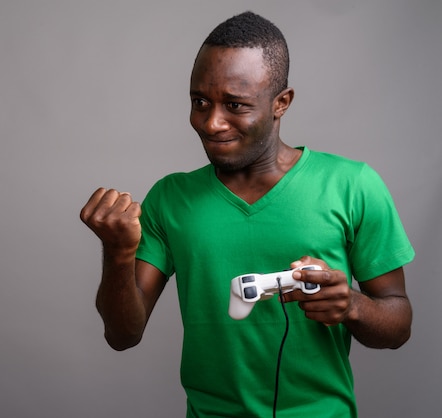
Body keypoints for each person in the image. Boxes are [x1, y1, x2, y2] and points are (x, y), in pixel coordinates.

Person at [79, 11, 414, 418]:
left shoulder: (353, 185)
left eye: (235, 105)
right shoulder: (170, 198)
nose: (212, 122)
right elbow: (122, 335)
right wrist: (117, 254)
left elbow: (398, 325)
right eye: (200, 102)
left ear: (281, 103)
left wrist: (353, 307)